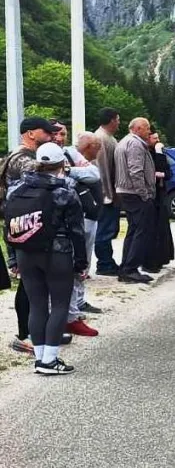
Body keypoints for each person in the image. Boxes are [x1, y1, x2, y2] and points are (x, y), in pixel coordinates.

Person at [4, 142, 88, 375]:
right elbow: (76, 231)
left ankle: (39, 357)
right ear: (62, 163)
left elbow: (10, 225)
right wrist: (81, 263)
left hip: (25, 252)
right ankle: (50, 360)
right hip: (57, 253)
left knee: (37, 305)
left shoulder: (16, 189)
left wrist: (13, 259)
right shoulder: (66, 190)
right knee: (60, 304)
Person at [2, 117, 60, 356]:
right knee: (29, 283)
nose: (51, 135)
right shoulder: (23, 159)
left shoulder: (18, 155)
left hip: (20, 224)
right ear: (30, 133)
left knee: (31, 282)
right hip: (23, 225)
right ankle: (24, 335)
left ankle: (34, 332)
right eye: (45, 131)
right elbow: (48, 181)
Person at [55, 126, 103, 338]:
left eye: (63, 133)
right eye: (56, 133)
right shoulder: (42, 154)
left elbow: (94, 174)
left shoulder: (70, 154)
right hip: (60, 218)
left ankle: (75, 309)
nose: (60, 137)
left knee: (80, 262)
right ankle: (64, 317)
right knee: (66, 266)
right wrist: (69, 176)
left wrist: (70, 171)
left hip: (83, 214)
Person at [114, 118, 157, 284]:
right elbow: (136, 170)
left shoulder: (124, 141)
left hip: (126, 192)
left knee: (133, 230)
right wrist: (144, 194)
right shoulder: (135, 144)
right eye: (147, 128)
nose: (149, 131)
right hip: (135, 193)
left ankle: (126, 266)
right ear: (138, 128)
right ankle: (130, 269)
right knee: (140, 231)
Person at [93, 108, 122, 276]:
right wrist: (107, 194)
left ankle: (107, 261)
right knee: (104, 229)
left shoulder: (108, 138)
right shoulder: (101, 138)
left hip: (109, 192)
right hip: (106, 195)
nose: (119, 123)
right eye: (117, 119)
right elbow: (102, 167)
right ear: (112, 120)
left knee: (109, 228)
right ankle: (104, 264)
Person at [144, 130, 175, 274]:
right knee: (152, 226)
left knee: (162, 226)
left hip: (161, 193)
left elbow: (167, 172)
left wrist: (161, 173)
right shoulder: (147, 153)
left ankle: (162, 257)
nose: (157, 141)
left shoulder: (159, 152)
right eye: (154, 138)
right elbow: (153, 170)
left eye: (158, 138)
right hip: (152, 193)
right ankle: (151, 261)